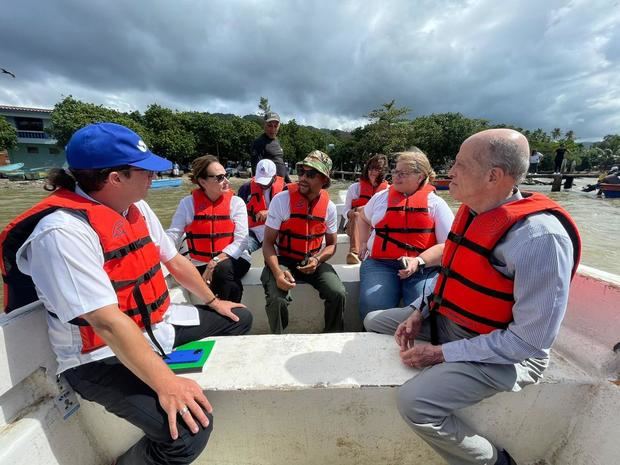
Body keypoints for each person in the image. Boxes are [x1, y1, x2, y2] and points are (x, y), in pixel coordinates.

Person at [0, 122, 253, 465]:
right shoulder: (61, 233)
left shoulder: (135, 206)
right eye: (145, 170)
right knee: (190, 432)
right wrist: (167, 383)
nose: (153, 176)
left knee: (239, 317)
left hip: (154, 327)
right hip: (98, 359)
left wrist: (212, 301)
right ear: (115, 177)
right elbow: (105, 322)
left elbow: (175, 261)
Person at [373, 128, 581, 465]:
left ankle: (495, 462)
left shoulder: (540, 240)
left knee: (415, 402)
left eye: (460, 165)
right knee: (375, 321)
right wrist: (419, 312)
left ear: (493, 176)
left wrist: (442, 354)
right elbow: (453, 274)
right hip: (451, 319)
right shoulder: (472, 211)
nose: (449, 172)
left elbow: (528, 343)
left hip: (506, 355)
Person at [356, 149, 454, 320]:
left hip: (423, 268)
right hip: (381, 264)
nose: (396, 177)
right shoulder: (381, 198)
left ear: (420, 176)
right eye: (395, 172)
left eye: (403, 173)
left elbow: (448, 245)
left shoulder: (436, 204)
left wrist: (419, 261)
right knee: (373, 305)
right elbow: (362, 218)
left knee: (423, 308)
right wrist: (363, 242)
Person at [261, 150, 345, 334]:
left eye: (311, 174)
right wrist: (277, 273)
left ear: (324, 179)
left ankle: (332, 335)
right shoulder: (282, 200)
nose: (303, 178)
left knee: (337, 293)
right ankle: (278, 339)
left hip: (312, 260)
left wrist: (317, 260)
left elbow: (331, 245)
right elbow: (267, 244)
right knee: (277, 298)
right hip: (283, 260)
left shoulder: (329, 208)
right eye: (301, 171)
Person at [167, 155, 251, 304]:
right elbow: (173, 234)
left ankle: (224, 313)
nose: (227, 181)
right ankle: (227, 313)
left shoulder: (236, 203)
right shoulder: (188, 204)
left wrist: (215, 261)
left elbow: (241, 241)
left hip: (234, 259)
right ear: (202, 182)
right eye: (219, 178)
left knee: (223, 270)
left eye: (226, 175)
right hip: (200, 263)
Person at [342, 154, 389, 264]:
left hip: (374, 227)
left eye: (377, 169)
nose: (373, 172)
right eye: (371, 168)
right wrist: (355, 212)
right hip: (353, 225)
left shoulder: (387, 190)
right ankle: (354, 253)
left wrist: (364, 209)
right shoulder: (355, 188)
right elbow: (345, 211)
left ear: (383, 171)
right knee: (357, 215)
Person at [238, 158, 286, 254]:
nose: (262, 184)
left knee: (278, 257)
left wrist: (270, 212)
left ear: (275, 177)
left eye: (266, 181)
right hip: (253, 232)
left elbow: (289, 212)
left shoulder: (284, 189)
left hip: (275, 232)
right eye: (259, 180)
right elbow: (238, 214)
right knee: (240, 252)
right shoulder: (245, 189)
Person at [251, 111, 292, 183]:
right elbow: (256, 169)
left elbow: (280, 163)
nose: (273, 129)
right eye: (269, 125)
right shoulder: (259, 143)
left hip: (281, 184)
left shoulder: (277, 141)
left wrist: (288, 181)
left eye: (275, 126)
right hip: (269, 186)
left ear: (279, 126)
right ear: (264, 125)